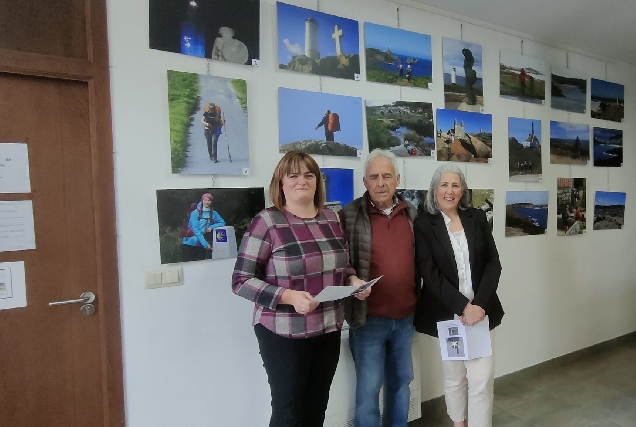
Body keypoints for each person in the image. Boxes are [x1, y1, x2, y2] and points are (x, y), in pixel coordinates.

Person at [232, 151, 369, 427]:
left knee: (317, 406)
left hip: (327, 328)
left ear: (318, 181)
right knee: (289, 411)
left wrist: (354, 283)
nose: (301, 181)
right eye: (293, 175)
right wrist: (288, 296)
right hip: (283, 332)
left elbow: (343, 266)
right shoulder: (268, 222)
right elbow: (241, 281)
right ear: (280, 183)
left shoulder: (331, 218)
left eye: (309, 175)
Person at [414, 164, 503, 427]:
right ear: (434, 189)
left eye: (455, 185)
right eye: (444, 185)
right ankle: (459, 424)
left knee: (482, 378)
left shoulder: (476, 217)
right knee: (454, 376)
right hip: (449, 315)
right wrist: (463, 306)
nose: (450, 191)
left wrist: (478, 305)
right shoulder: (423, 224)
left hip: (481, 313)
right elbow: (429, 273)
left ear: (463, 190)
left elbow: (493, 263)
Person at [339, 149, 420, 427]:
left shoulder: (412, 213)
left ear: (397, 179)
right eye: (374, 177)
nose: (381, 183)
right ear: (365, 182)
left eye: (387, 176)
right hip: (368, 320)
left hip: (406, 318)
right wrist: (351, 281)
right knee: (369, 391)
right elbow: (339, 263)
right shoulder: (348, 215)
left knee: (401, 384)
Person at [181, 193, 226, 262]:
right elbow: (196, 230)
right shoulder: (195, 213)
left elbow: (222, 222)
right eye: (205, 200)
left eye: (209, 200)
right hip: (189, 244)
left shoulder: (213, 213)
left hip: (201, 244)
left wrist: (211, 227)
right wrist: (205, 244)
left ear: (211, 202)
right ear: (202, 200)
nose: (207, 202)